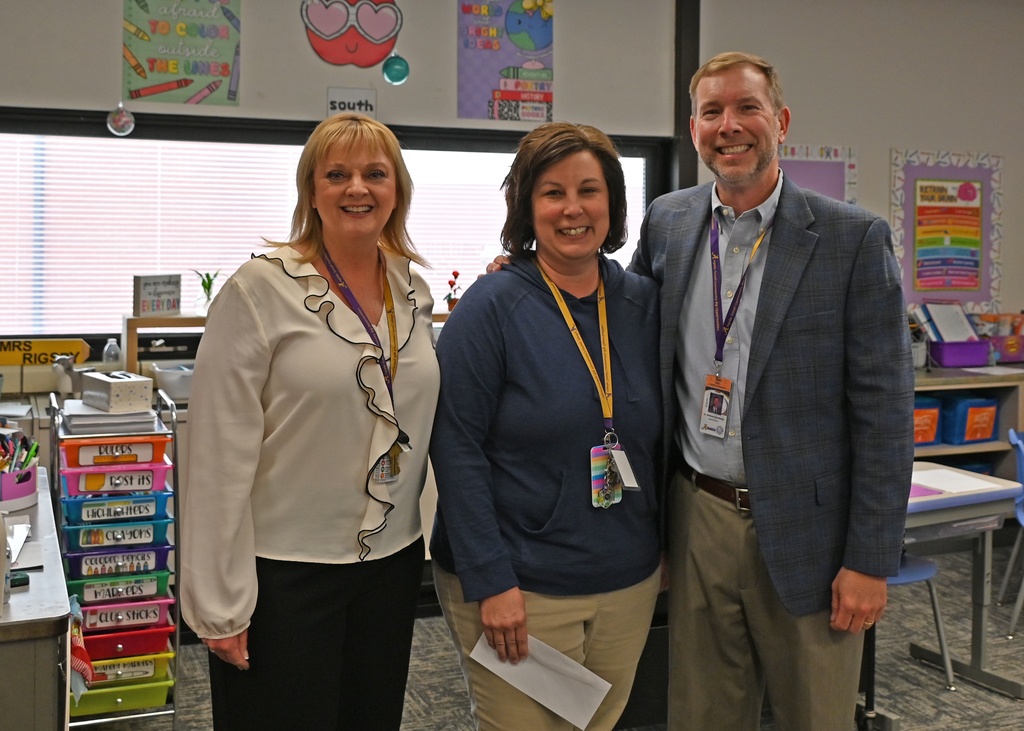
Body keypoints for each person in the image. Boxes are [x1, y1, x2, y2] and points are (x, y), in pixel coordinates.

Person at [629, 52, 914, 730]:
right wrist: (528, 277)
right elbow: (620, 316)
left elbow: (886, 415)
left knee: (814, 715)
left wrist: (869, 560)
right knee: (702, 713)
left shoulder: (852, 238)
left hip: (810, 533)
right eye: (711, 112)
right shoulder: (667, 221)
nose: (730, 126)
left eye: (746, 108)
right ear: (693, 128)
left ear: (780, 121)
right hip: (696, 512)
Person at [179, 112, 440, 731]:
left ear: (397, 189)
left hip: (391, 565)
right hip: (283, 577)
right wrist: (221, 604)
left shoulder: (414, 290)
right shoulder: (257, 291)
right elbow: (219, 456)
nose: (358, 188)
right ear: (311, 192)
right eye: (337, 174)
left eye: (376, 173)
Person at [430, 122, 663, 731]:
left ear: (612, 205)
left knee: (598, 725)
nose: (572, 209)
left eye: (589, 190)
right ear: (526, 206)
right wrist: (491, 581)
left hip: (625, 581)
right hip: (520, 587)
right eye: (552, 192)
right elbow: (455, 448)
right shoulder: (491, 308)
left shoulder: (643, 305)